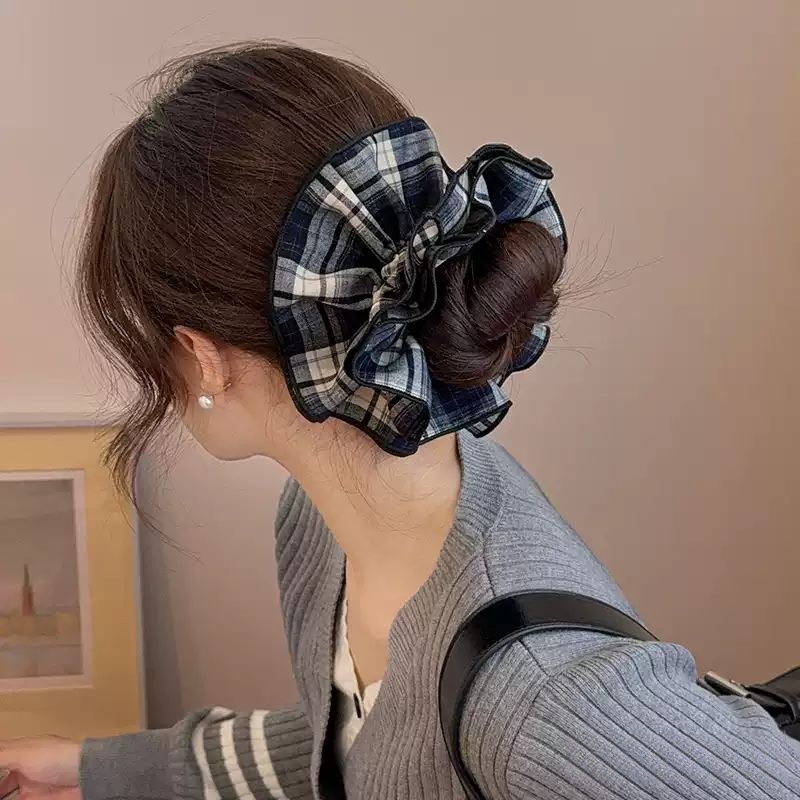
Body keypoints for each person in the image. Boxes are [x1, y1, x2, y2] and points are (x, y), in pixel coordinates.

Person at [1, 42, 798, 800]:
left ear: (200, 356)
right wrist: (102, 770)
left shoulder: (539, 701)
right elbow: (358, 747)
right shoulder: (330, 515)